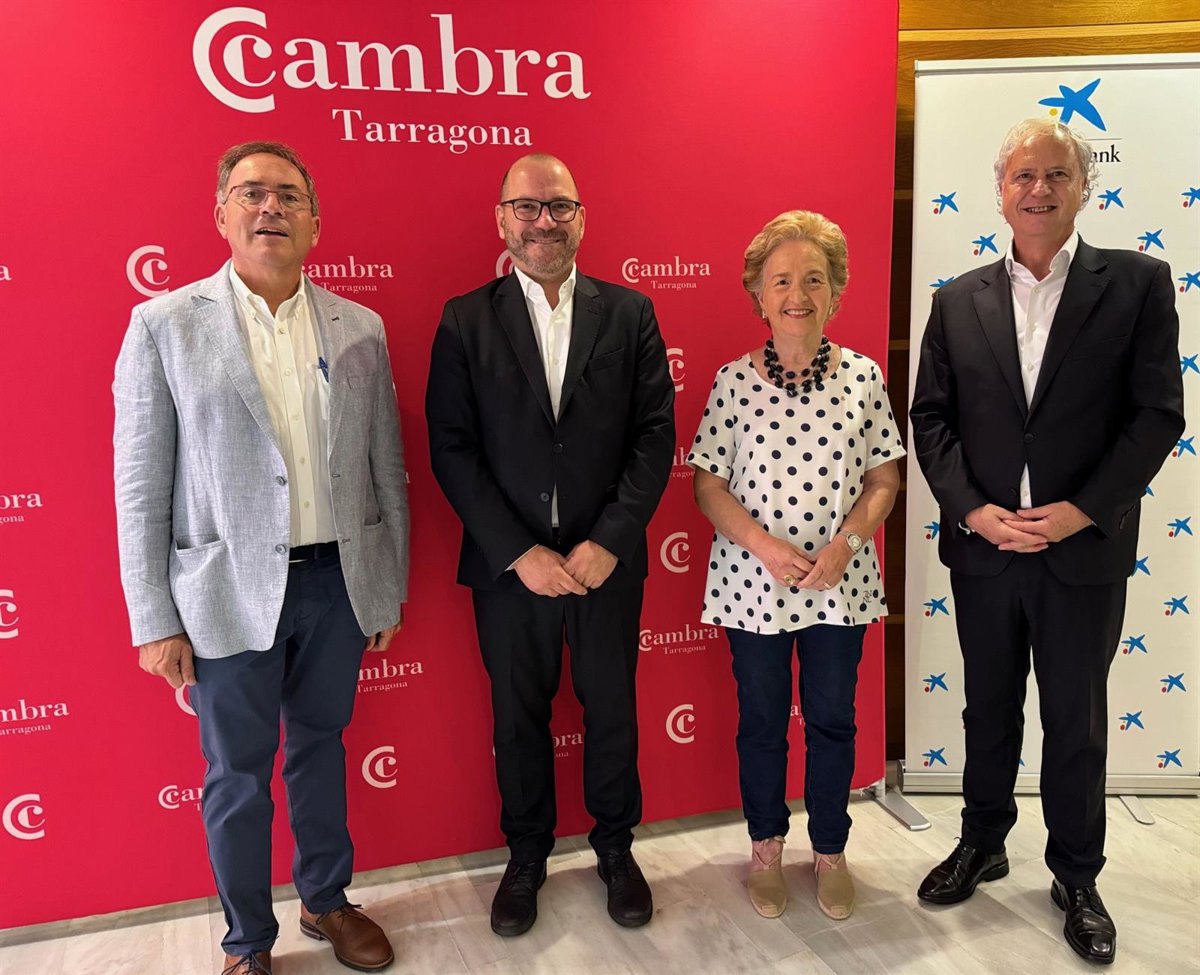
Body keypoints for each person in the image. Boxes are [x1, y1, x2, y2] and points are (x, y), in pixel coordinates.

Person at [114, 141, 408, 975]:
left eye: (288, 194)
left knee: (321, 747)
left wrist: (384, 587)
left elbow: (386, 465)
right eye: (251, 193)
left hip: (336, 584)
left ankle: (326, 898)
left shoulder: (361, 327)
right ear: (222, 214)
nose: (270, 206)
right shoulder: (165, 325)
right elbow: (140, 482)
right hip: (226, 593)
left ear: (316, 222)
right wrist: (153, 617)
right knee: (237, 773)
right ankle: (247, 940)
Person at [910, 118, 1184, 965]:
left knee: (1075, 718)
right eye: (1022, 175)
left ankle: (1077, 874)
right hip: (985, 550)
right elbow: (931, 419)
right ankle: (982, 840)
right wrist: (972, 511)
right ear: (1000, 191)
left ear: (1082, 186)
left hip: (1081, 549)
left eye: (1055, 174)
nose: (1038, 189)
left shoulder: (1137, 284)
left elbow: (1157, 415)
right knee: (987, 707)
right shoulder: (956, 299)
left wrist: (1083, 510)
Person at [425, 153, 674, 937]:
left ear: (581, 218)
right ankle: (526, 854)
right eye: (528, 207)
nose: (544, 221)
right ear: (502, 219)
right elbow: (451, 446)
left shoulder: (630, 313)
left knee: (613, 711)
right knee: (517, 718)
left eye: (559, 206)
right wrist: (517, 551)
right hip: (511, 571)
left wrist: (610, 540)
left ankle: (616, 849)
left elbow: (654, 437)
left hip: (606, 564)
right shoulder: (465, 319)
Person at [688, 210, 903, 920]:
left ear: (835, 291)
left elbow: (884, 479)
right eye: (781, 281)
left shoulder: (864, 377)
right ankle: (766, 848)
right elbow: (708, 484)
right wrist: (765, 546)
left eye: (814, 279)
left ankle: (831, 849)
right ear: (759, 294)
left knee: (833, 720)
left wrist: (846, 544)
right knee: (761, 723)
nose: (797, 294)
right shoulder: (731, 382)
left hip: (841, 585)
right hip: (753, 585)